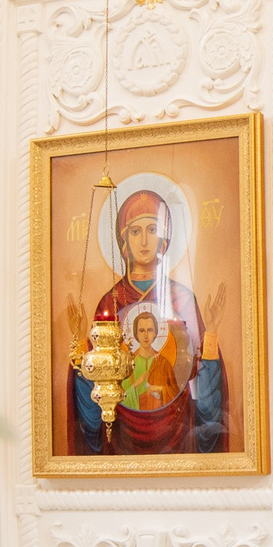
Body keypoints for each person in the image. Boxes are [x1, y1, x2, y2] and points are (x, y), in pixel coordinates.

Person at [69, 186, 228, 454]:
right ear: (124, 242)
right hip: (120, 435)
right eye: (135, 231)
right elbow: (93, 402)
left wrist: (210, 332)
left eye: (152, 230)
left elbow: (205, 401)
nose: (144, 241)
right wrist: (82, 344)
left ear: (163, 240)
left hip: (177, 433)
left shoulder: (182, 300)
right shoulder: (110, 303)